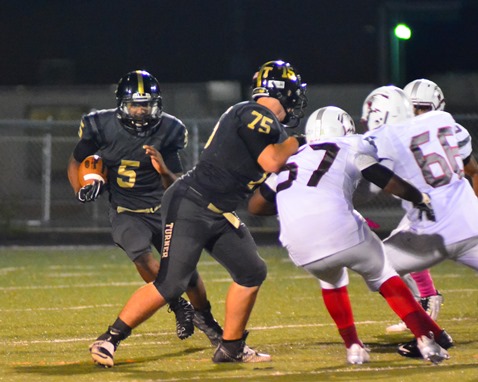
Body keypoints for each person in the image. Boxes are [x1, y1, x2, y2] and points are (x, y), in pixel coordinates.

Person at [88, 60, 309, 367]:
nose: (297, 102)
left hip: (218, 210)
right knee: (171, 283)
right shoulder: (253, 112)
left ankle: (231, 347)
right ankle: (108, 339)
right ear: (284, 92)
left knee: (252, 271)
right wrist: (301, 141)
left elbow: (261, 190)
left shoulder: (265, 121)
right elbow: (272, 161)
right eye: (295, 94)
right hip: (192, 203)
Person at [248, 105, 451, 365]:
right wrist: (417, 196)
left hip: (298, 242)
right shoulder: (350, 144)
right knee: (383, 273)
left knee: (331, 281)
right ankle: (426, 338)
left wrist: (295, 204)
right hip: (339, 228)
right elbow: (379, 175)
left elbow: (256, 205)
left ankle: (353, 347)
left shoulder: (295, 157)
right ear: (344, 128)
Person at [67, 70, 222, 346]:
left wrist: (163, 170)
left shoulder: (169, 130)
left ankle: (205, 318)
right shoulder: (100, 126)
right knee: (141, 256)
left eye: (146, 105)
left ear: (157, 105)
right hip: (126, 210)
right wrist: (81, 189)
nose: (140, 111)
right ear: (121, 105)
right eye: (134, 105)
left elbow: (176, 183)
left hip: (164, 209)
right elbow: (76, 161)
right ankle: (177, 305)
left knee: (188, 273)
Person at [361, 85, 478, 358]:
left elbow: (373, 179)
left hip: (431, 232)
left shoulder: (388, 136)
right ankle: (428, 313)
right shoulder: (446, 122)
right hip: (469, 223)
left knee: (375, 266)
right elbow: (468, 166)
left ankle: (428, 334)